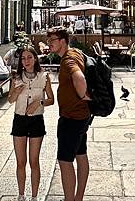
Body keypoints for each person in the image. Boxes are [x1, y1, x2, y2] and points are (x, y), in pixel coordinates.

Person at [47, 26, 92, 201]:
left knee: (65, 161)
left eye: (52, 40)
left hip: (72, 118)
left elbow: (79, 78)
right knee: (81, 155)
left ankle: (69, 199)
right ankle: (78, 197)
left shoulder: (68, 60)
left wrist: (83, 96)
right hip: (82, 116)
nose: (49, 43)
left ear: (63, 41)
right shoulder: (75, 53)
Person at [8, 46, 54, 201]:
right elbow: (10, 100)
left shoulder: (44, 77)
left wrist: (39, 103)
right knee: (21, 162)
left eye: (29, 57)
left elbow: (51, 100)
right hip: (19, 120)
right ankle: (21, 195)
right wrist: (16, 92)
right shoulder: (16, 77)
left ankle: (34, 196)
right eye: (23, 58)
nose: (26, 61)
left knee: (34, 161)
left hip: (36, 120)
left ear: (35, 59)